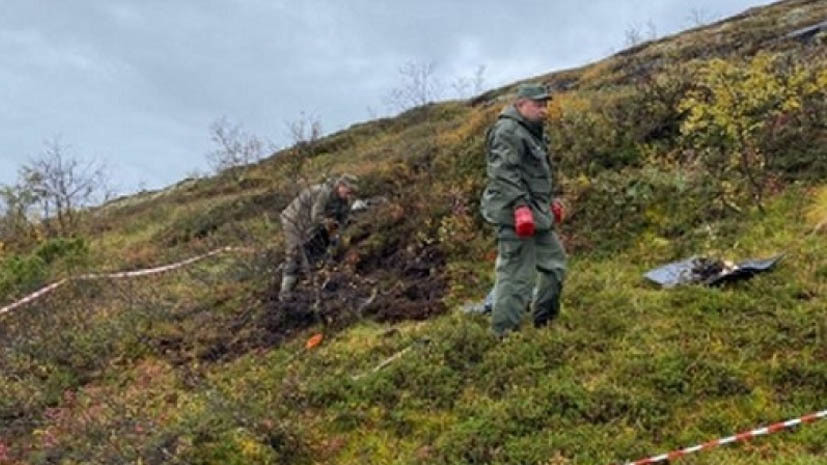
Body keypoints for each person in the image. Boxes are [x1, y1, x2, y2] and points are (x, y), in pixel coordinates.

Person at [479, 83, 567, 337]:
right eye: (538, 104)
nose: (544, 110)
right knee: (517, 274)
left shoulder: (533, 130)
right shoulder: (507, 131)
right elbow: (502, 172)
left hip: (536, 212)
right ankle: (503, 335)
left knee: (555, 266)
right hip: (513, 214)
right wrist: (519, 206)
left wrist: (549, 201)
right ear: (520, 105)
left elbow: (538, 172)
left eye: (545, 104)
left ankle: (545, 322)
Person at [279, 174, 358, 299]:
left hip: (311, 224)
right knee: (295, 253)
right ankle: (285, 291)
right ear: (340, 186)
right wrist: (329, 224)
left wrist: (337, 238)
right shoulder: (324, 192)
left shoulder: (344, 202)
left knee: (316, 249)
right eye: (347, 191)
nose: (349, 195)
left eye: (351, 193)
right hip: (294, 220)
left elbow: (342, 223)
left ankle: (309, 281)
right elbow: (316, 216)